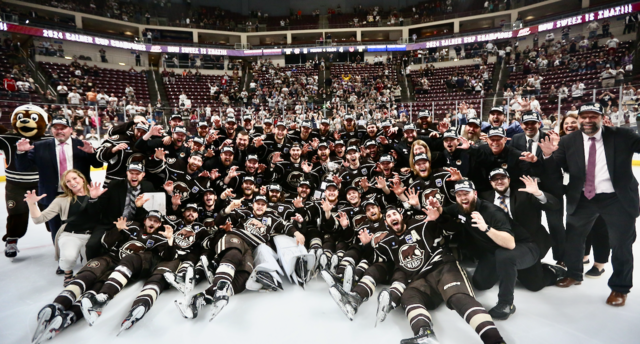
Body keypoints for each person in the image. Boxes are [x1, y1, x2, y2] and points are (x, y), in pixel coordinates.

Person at [538, 102, 640, 307]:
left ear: (601, 118)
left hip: (616, 198)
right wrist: (548, 154)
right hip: (583, 196)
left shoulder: (622, 135)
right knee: (574, 237)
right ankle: (574, 274)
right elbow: (558, 165)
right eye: (583, 116)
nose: (587, 120)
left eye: (593, 116)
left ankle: (620, 288)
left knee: (621, 244)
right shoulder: (569, 140)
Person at [15, 117, 102, 256]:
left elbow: (98, 165)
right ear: (51, 130)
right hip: (52, 194)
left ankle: (89, 254)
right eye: (56, 128)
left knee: (85, 223)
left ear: (71, 129)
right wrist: (21, 153)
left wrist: (92, 153)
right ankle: (62, 258)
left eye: (63, 128)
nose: (59, 131)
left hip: (80, 194)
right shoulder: (39, 146)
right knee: (56, 228)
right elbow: (22, 167)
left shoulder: (82, 144)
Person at [25, 169, 99, 285]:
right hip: (71, 234)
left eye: (74, 178)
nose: (72, 182)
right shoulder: (62, 200)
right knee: (68, 258)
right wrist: (32, 204)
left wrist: (96, 199)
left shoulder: (95, 195)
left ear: (82, 179)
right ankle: (68, 273)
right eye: (68, 181)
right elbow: (39, 219)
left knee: (90, 264)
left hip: (92, 236)